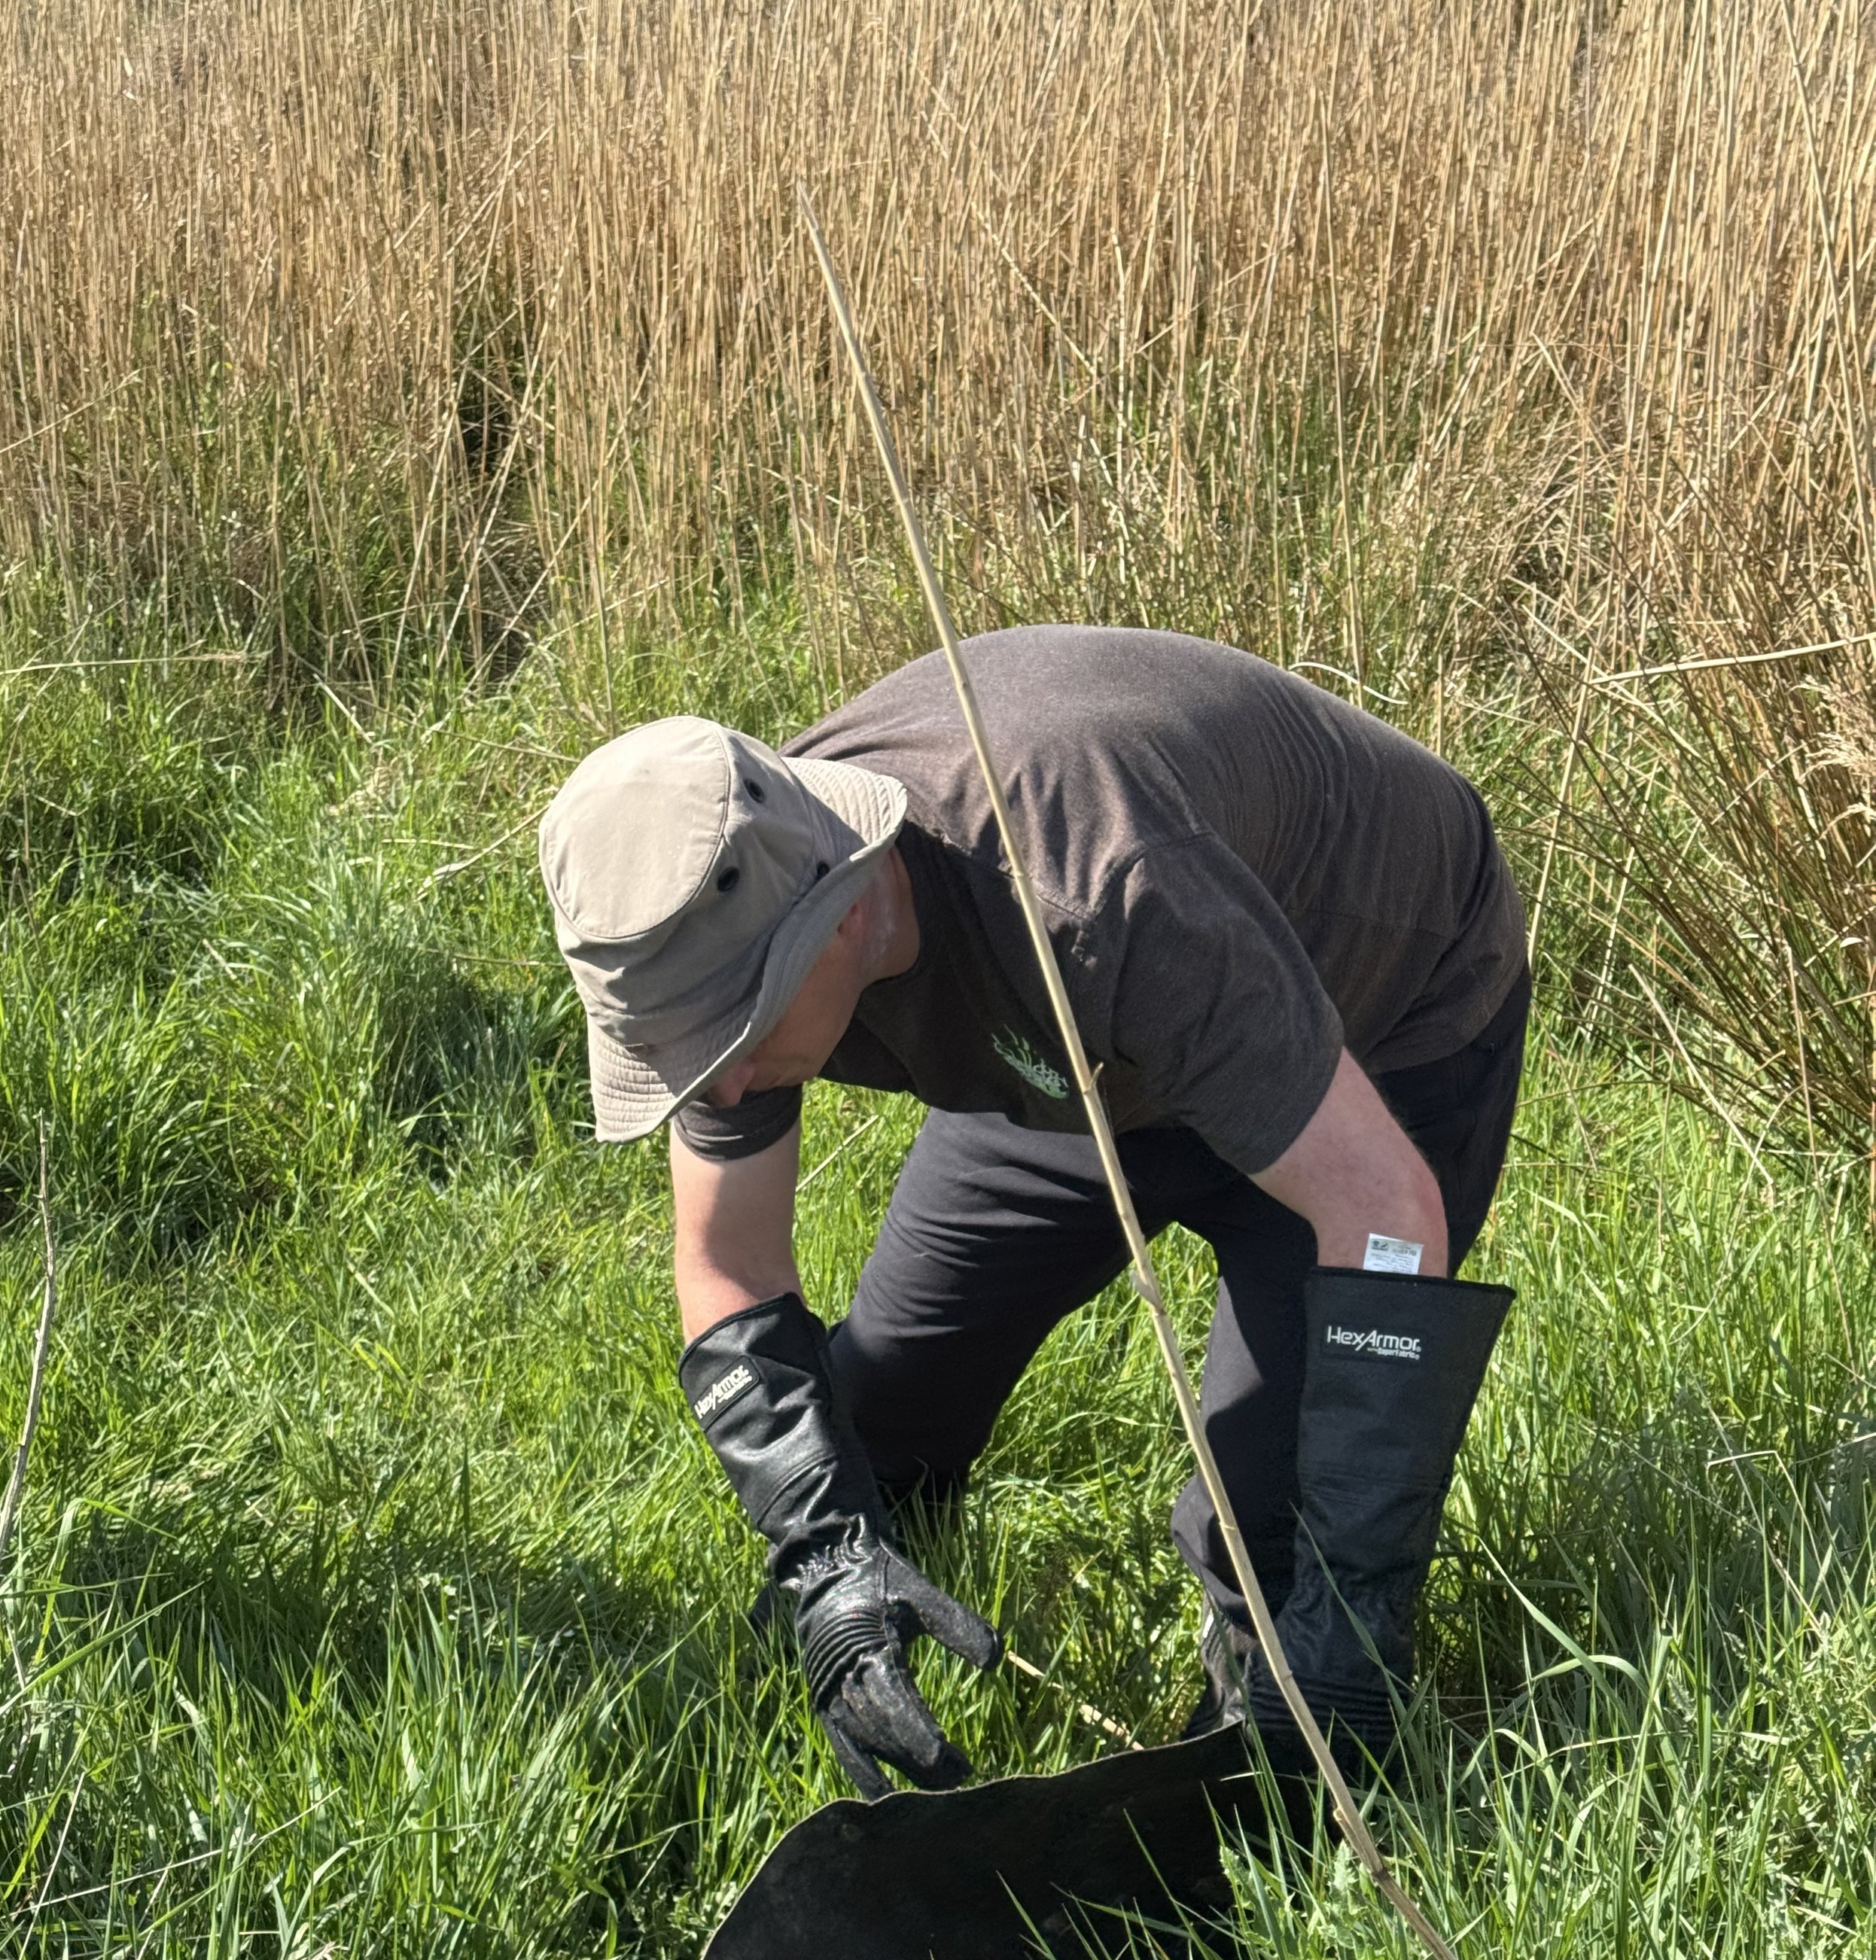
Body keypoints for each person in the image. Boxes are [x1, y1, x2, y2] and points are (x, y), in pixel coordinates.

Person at [540, 627, 1526, 1800]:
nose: (726, 1088)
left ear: (845, 913)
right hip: (1079, 1062)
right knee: (879, 1412)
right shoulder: (726, 901)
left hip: (1371, 1023)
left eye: (732, 1042)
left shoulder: (1092, 891)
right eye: (679, 1057)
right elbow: (726, 1257)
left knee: (1269, 1537)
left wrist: (1350, 1606)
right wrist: (828, 1564)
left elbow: (1386, 1209)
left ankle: (1286, 1787)